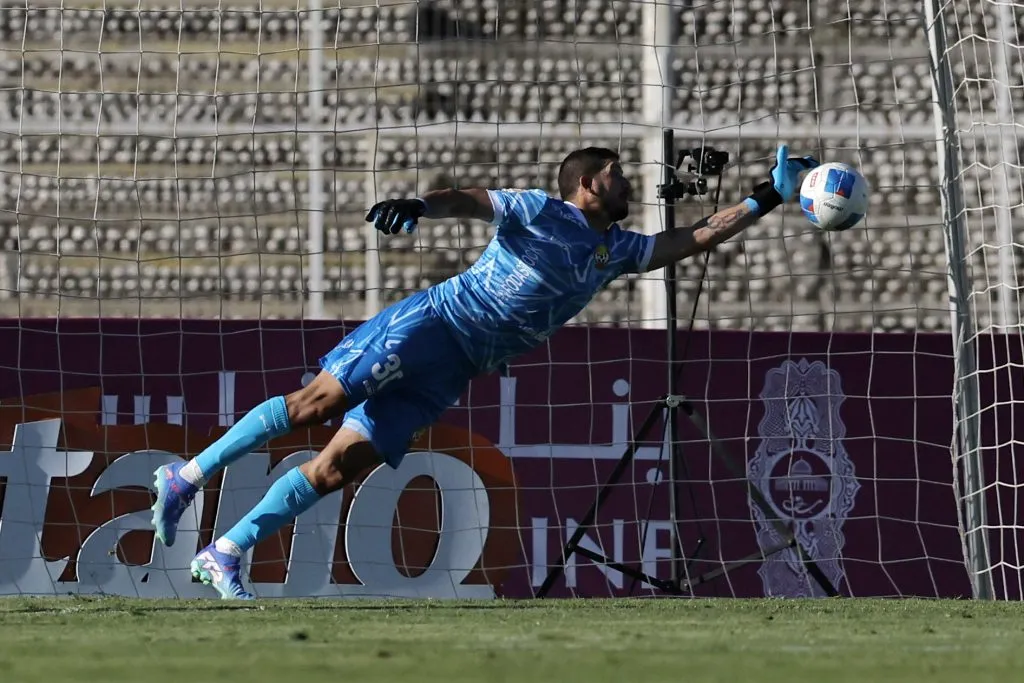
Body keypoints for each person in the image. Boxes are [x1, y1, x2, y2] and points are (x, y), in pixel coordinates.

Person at [151, 144, 817, 599]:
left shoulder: (615, 249)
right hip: (431, 326)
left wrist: (766, 198)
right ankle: (185, 478)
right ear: (588, 183)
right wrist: (421, 205)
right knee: (313, 405)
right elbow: (469, 201)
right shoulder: (540, 210)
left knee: (336, 467)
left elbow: (690, 238)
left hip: (458, 367)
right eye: (617, 173)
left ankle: (226, 551)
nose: (628, 183)